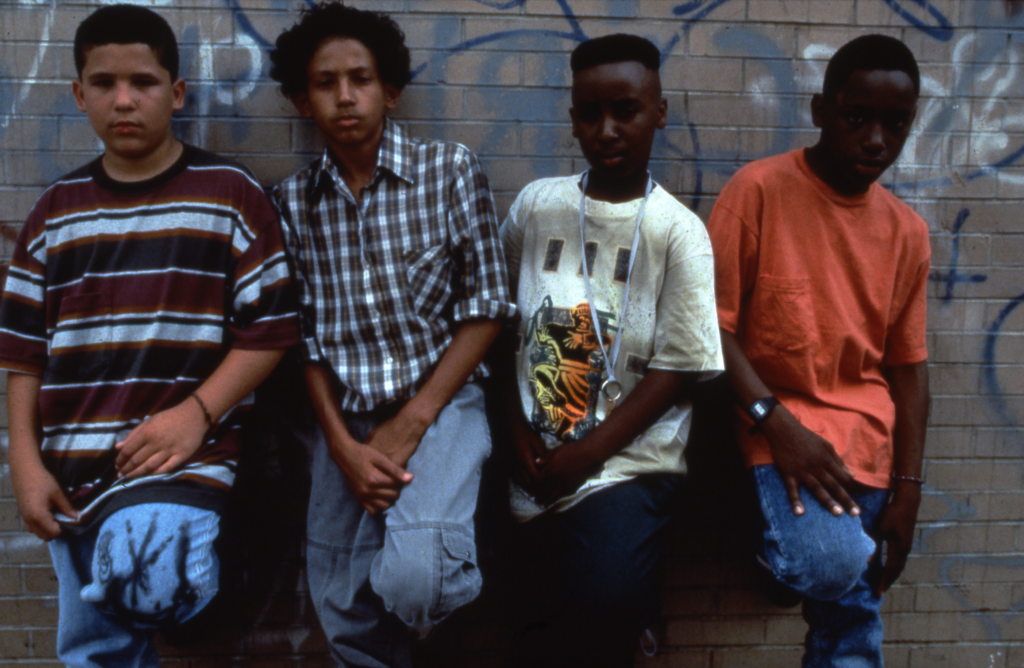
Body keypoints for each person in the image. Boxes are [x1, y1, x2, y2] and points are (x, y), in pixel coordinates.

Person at [0, 5, 300, 667]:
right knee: (96, 649)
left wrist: (196, 415)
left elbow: (271, 330)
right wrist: (25, 464)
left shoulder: (228, 195)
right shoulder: (55, 213)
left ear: (178, 92)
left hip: (183, 462)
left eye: (144, 81)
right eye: (103, 84)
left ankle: (201, 588)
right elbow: (23, 356)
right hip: (72, 468)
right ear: (80, 95)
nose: (124, 99)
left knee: (151, 583)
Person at [268, 3, 516, 666]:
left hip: (442, 404)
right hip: (344, 417)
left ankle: (435, 588)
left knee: (416, 580)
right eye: (325, 82)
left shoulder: (449, 171)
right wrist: (344, 449)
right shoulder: (292, 203)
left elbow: (488, 305)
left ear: (392, 89)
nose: (345, 95)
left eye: (361, 77)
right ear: (302, 100)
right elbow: (305, 338)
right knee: (342, 604)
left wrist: (413, 421)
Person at [496, 34, 723, 668]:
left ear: (660, 112)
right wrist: (515, 432)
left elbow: (678, 369)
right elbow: (502, 330)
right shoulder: (537, 206)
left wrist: (589, 451)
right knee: (533, 616)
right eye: (589, 113)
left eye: (625, 110)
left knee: (603, 602)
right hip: (534, 454)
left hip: (628, 460)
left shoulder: (677, 232)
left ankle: (635, 624)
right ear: (572, 119)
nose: (607, 129)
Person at [706, 34, 931, 667]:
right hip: (776, 439)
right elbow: (707, 332)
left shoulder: (906, 232)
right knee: (835, 570)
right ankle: (778, 556)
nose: (876, 140)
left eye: (896, 124)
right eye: (857, 118)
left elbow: (909, 370)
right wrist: (778, 427)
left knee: (855, 612)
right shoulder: (758, 193)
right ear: (820, 110)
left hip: (870, 454)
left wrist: (909, 490)